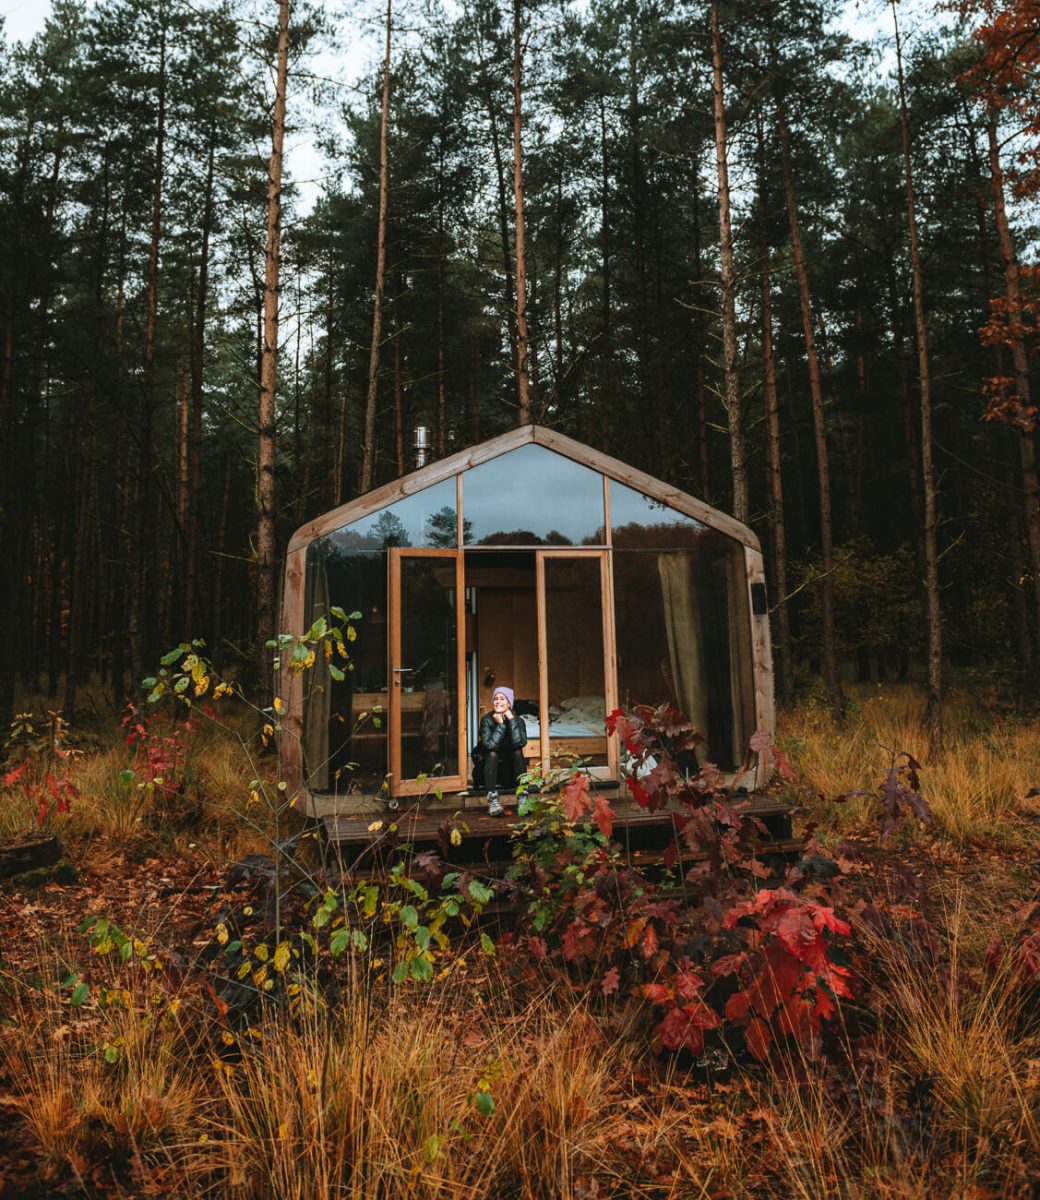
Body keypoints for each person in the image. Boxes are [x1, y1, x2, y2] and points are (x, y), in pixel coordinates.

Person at [473, 686, 527, 817]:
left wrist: (512, 721)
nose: (498, 701)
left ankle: (522, 797)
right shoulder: (486, 720)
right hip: (488, 772)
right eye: (496, 699)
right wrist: (501, 724)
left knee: (518, 752)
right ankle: (492, 800)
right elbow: (489, 746)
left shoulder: (518, 721)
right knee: (492, 753)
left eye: (502, 699)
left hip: (508, 774)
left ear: (509, 703)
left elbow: (519, 743)